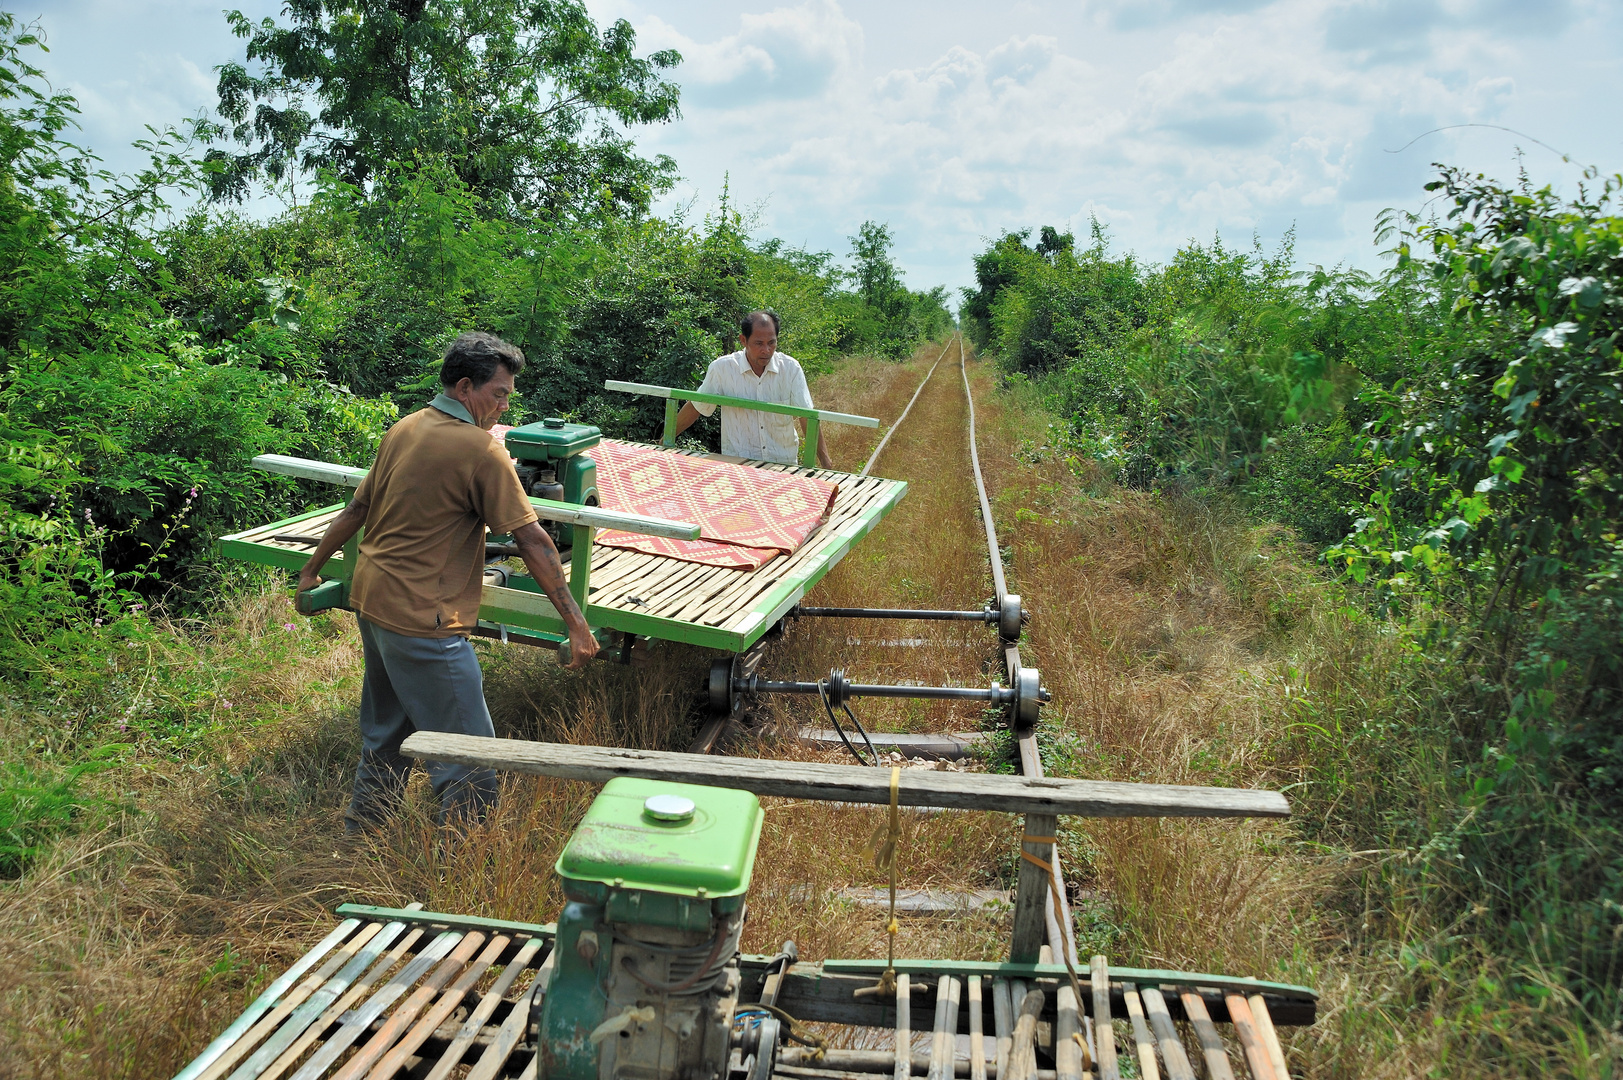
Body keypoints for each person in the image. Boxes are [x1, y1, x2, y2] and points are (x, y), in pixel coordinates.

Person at [296, 331, 598, 833]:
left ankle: (363, 833)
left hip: (373, 601)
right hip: (423, 619)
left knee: (386, 734)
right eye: (498, 393)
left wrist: (313, 568)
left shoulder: (406, 427)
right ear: (464, 386)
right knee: (468, 754)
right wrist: (576, 624)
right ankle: (467, 862)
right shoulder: (482, 450)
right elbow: (535, 542)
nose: (504, 406)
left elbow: (358, 508)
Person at [671, 310, 833, 468]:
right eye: (759, 343)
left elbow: (807, 417)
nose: (766, 350)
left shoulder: (790, 369)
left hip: (782, 466)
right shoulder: (722, 369)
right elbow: (697, 406)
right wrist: (665, 440)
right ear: (743, 340)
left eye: (771, 343)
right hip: (738, 466)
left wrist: (826, 463)